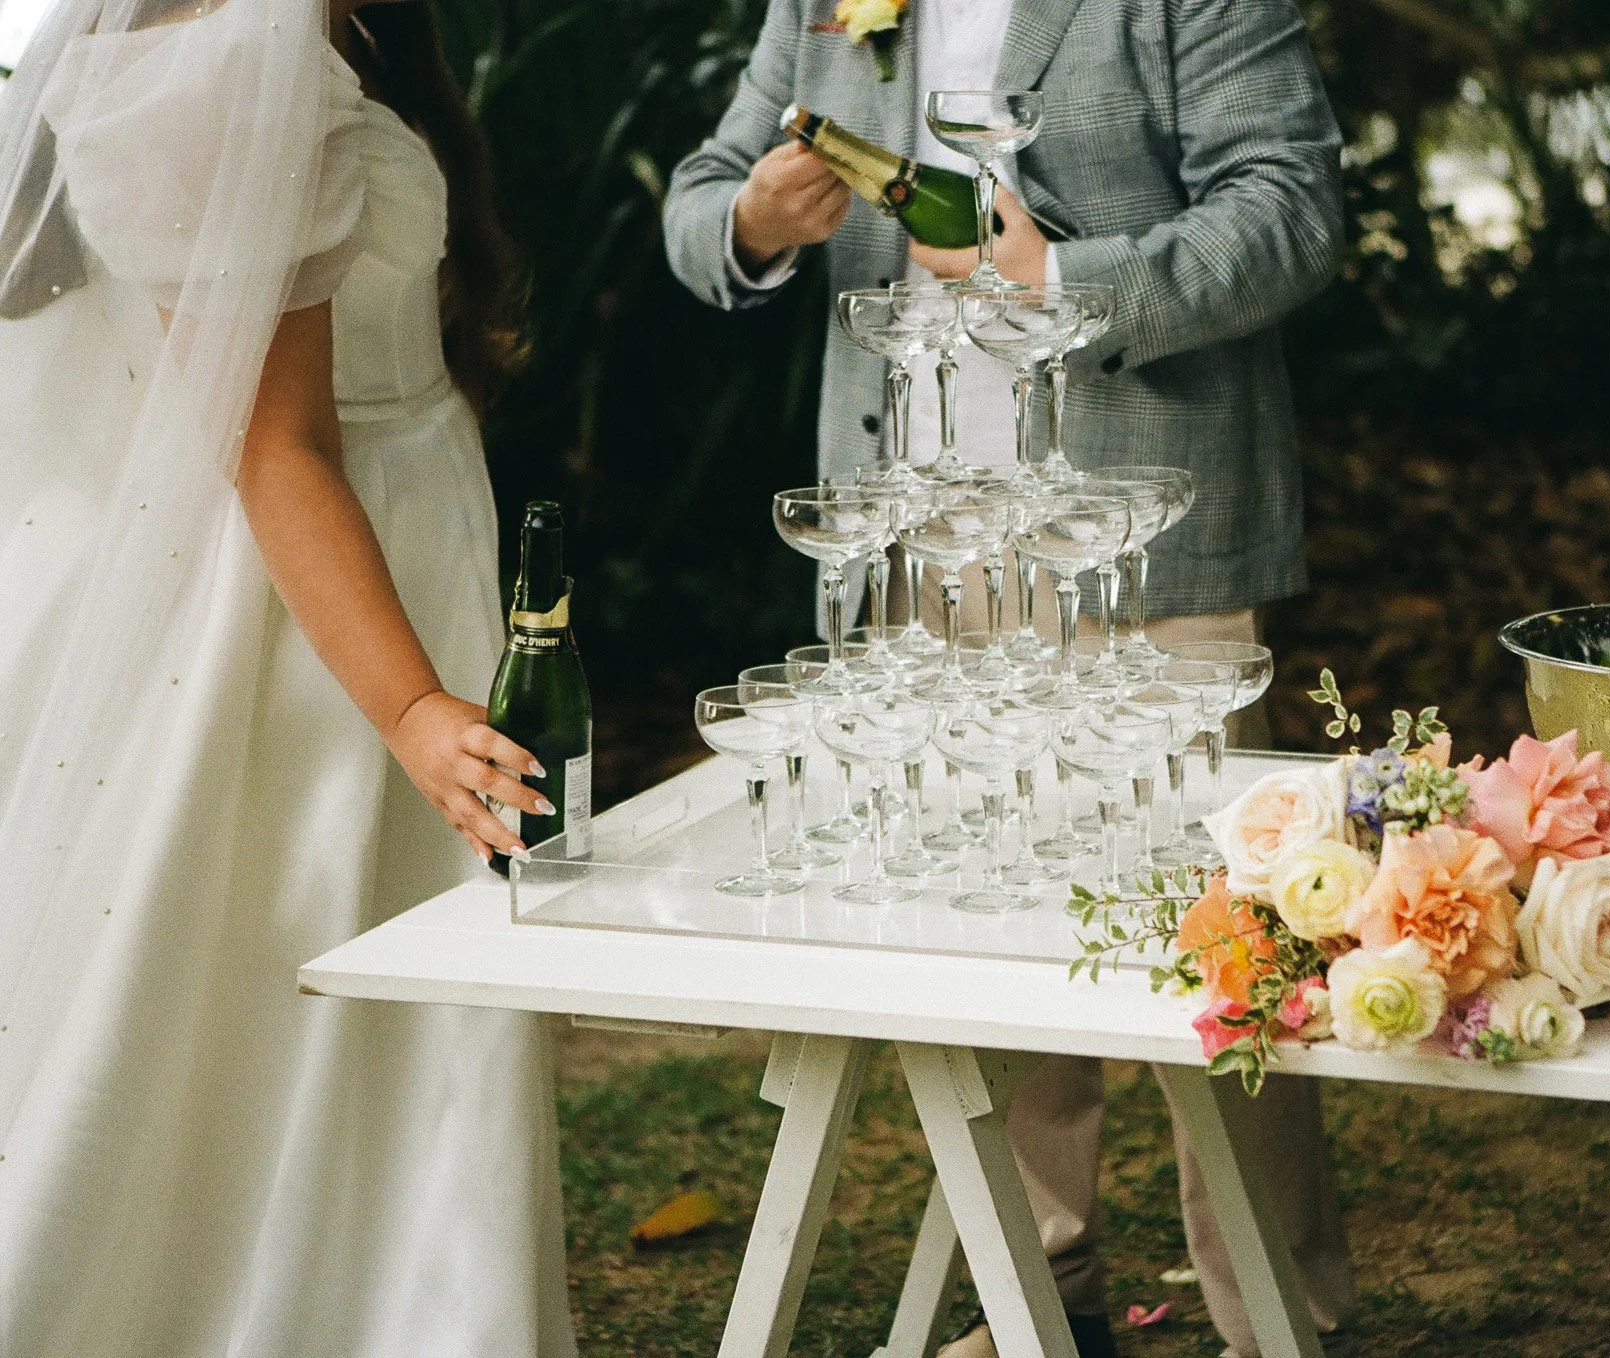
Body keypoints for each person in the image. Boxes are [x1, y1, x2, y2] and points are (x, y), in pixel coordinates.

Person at [663, 2, 1353, 1355]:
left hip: (1141, 539)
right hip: (917, 535)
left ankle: (1284, 1317)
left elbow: (1290, 207)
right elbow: (698, 205)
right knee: (982, 919)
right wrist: (753, 218)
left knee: (1223, 941)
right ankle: (1040, 1293)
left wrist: (1065, 282)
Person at [0, 1, 575, 1353]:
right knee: (283, 975)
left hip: (397, 546)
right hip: (312, 625)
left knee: (356, 1003)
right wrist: (415, 709)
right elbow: (276, 445)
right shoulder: (221, 75)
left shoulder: (334, 36)